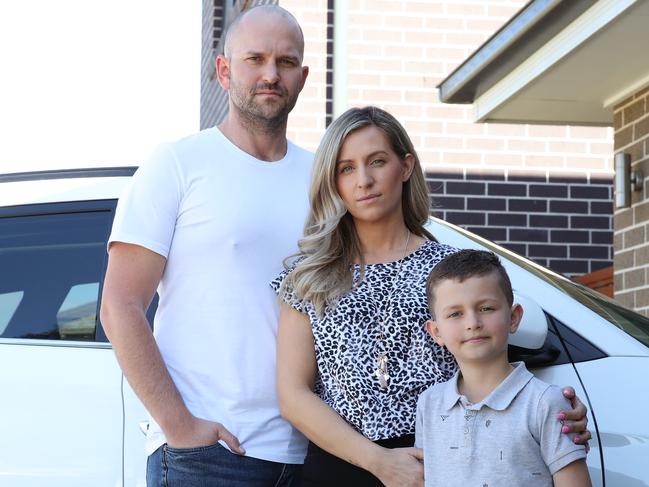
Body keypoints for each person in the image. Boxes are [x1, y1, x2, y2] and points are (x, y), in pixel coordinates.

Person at [273, 106, 590, 487]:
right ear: (333, 181)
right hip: (340, 466)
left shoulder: (451, 268)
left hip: (442, 465)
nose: (365, 180)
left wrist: (555, 407)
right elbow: (292, 394)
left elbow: (487, 352)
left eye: (377, 161)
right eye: (347, 168)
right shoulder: (309, 275)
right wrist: (379, 462)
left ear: (405, 167)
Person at [100, 5, 310, 486]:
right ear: (223, 70)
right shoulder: (178, 163)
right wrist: (179, 427)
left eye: (284, 62)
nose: (270, 74)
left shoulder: (323, 177)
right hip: (208, 456)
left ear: (302, 77)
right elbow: (119, 306)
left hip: (310, 453)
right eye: (254, 59)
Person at [417, 249, 591, 486]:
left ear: (514, 317)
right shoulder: (429, 403)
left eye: (486, 308)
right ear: (436, 332)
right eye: (456, 313)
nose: (472, 323)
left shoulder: (545, 403)